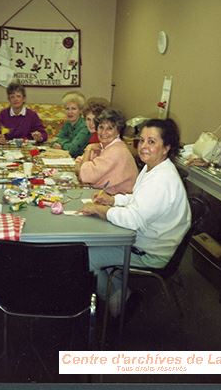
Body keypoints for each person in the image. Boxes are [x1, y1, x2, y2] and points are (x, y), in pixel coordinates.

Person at [81, 118, 191, 317]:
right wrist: (112, 200)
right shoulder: (154, 168)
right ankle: (121, 294)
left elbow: (133, 219)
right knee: (88, 247)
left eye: (152, 142)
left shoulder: (162, 180)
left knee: (83, 257)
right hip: (145, 240)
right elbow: (138, 199)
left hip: (149, 252)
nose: (143, 147)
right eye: (141, 140)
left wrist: (99, 210)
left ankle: (121, 305)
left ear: (166, 147)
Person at [75, 108, 138, 195]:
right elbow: (79, 163)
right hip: (107, 194)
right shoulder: (105, 146)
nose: (103, 132)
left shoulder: (116, 151)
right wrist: (82, 167)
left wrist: (88, 149)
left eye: (110, 128)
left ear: (118, 131)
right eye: (101, 127)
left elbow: (84, 175)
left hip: (119, 200)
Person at [52, 91, 90, 158]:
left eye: (73, 109)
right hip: (66, 158)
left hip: (79, 160)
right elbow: (55, 139)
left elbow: (72, 149)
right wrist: (68, 143)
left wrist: (62, 144)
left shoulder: (85, 127)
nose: (70, 112)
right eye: (67, 109)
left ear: (80, 110)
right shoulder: (67, 124)